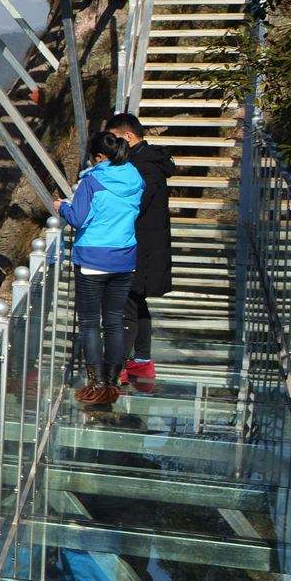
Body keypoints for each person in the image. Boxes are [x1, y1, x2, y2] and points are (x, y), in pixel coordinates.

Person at [56, 129, 145, 409]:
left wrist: (61, 208)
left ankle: (96, 382)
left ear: (98, 156)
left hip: (93, 258)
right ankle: (112, 378)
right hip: (124, 257)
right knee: (115, 321)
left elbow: (79, 218)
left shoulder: (93, 181)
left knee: (90, 323)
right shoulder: (135, 177)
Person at [104, 111, 176, 392]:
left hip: (137, 245)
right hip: (148, 244)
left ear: (128, 137)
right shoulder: (151, 162)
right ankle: (141, 361)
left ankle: (117, 367)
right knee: (137, 300)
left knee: (124, 305)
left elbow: (134, 205)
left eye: (113, 139)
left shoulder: (141, 167)